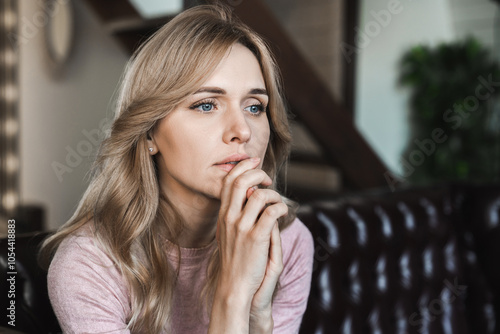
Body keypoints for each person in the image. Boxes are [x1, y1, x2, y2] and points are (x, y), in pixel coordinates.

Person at [40, 4, 314, 334]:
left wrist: (257, 321)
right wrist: (233, 298)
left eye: (255, 106)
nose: (242, 130)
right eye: (206, 104)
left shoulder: (288, 240)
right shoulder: (89, 266)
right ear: (150, 131)